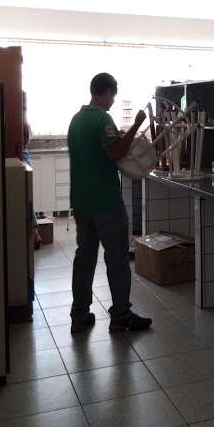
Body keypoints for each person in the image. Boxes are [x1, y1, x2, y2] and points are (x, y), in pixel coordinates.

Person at [67, 73, 151, 333]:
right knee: (116, 259)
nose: (114, 101)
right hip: (105, 201)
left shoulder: (76, 119)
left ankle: (79, 315)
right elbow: (115, 153)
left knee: (85, 258)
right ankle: (121, 316)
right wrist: (136, 125)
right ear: (109, 91)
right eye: (114, 95)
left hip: (81, 201)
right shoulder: (103, 119)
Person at [21, 92, 43, 249]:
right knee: (26, 199)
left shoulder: (18, 121)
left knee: (25, 199)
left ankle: (35, 233)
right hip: (25, 159)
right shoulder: (23, 122)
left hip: (22, 159)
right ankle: (35, 232)